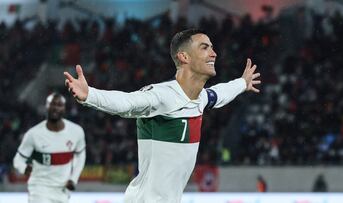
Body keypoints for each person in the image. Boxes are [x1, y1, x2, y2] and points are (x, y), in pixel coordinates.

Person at [64, 28, 261, 203]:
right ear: (184, 56)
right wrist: (89, 95)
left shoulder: (199, 98)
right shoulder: (162, 96)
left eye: (212, 47)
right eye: (204, 47)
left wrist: (243, 83)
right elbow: (127, 103)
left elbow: (219, 93)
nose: (214, 53)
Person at [13, 93, 86, 203]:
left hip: (62, 191)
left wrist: (73, 179)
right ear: (46, 106)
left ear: (64, 108)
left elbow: (81, 155)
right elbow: (18, 159)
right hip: (39, 189)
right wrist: (24, 168)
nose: (55, 107)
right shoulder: (33, 134)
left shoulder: (76, 132)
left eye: (59, 104)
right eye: (52, 104)